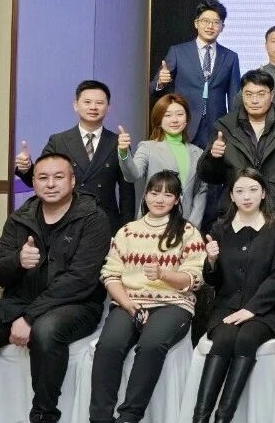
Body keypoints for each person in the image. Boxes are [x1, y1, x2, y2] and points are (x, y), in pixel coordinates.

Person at [0, 153, 110, 423]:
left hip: (75, 304)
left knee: (46, 331)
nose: (51, 184)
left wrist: (30, 317)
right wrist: (17, 261)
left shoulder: (93, 218)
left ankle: (43, 415)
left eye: (58, 177)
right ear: (33, 181)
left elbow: (80, 279)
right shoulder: (20, 218)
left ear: (72, 181)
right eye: (43, 177)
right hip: (19, 301)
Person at [91, 171, 205, 423]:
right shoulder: (127, 231)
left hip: (173, 304)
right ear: (145, 195)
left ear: (177, 199)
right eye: (154, 193)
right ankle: (99, 418)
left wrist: (164, 274)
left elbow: (195, 279)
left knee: (151, 345)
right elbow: (110, 275)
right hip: (129, 302)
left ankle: (129, 416)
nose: (160, 199)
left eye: (167, 194)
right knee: (108, 346)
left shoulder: (187, 232)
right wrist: (128, 304)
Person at [192, 169, 275, 423]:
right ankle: (200, 417)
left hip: (264, 312)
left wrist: (252, 309)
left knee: (246, 338)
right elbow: (213, 280)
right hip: (225, 307)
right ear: (232, 196)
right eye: (240, 191)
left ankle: (222, 418)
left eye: (253, 190)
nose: (246, 196)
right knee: (224, 339)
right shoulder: (220, 228)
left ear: (264, 193)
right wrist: (211, 261)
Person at [15, 79, 134, 233]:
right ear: (75, 105)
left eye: (99, 103)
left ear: (108, 107)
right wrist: (26, 168)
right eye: (87, 102)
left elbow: (127, 192)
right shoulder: (59, 141)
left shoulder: (118, 142)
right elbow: (39, 179)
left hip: (105, 222)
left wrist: (126, 229)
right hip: (65, 220)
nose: (93, 107)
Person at [198, 69, 275, 227]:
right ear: (242, 95)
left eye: (261, 94)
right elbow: (208, 176)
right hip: (234, 213)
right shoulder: (225, 126)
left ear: (272, 95)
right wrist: (213, 157)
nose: (254, 100)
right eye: (249, 94)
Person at [151, 0, 242, 149]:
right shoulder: (178, 52)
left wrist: (232, 131)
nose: (210, 26)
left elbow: (234, 98)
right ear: (196, 23)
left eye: (216, 22)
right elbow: (152, 89)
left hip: (216, 128)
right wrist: (161, 83)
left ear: (222, 27)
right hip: (184, 124)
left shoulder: (231, 57)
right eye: (205, 21)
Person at [119, 93, 208, 226]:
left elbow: (201, 191)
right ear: (159, 120)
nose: (175, 120)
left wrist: (192, 226)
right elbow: (132, 176)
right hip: (152, 224)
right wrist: (124, 152)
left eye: (180, 114)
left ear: (187, 119)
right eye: (168, 115)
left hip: (185, 224)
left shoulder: (198, 152)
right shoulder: (147, 147)